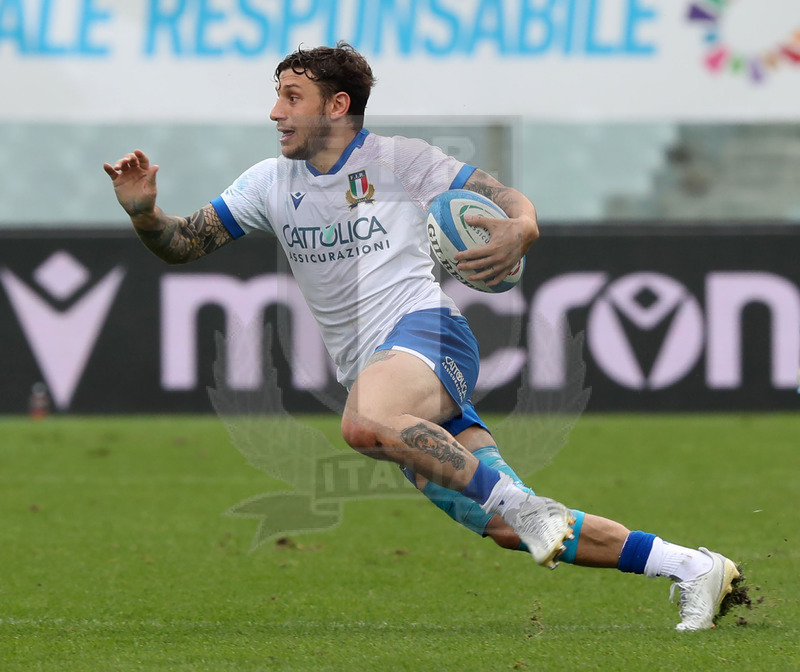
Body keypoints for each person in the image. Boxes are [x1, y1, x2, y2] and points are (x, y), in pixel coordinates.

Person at [104, 42, 741, 631]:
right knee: (505, 528)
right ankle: (693, 568)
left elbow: (504, 196)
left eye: (291, 97)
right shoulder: (269, 185)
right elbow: (182, 244)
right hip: (378, 373)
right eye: (276, 96)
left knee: (364, 424)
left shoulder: (401, 162)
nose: (275, 112)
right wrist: (143, 213)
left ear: (337, 105)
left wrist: (522, 226)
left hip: (429, 335)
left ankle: (526, 506)